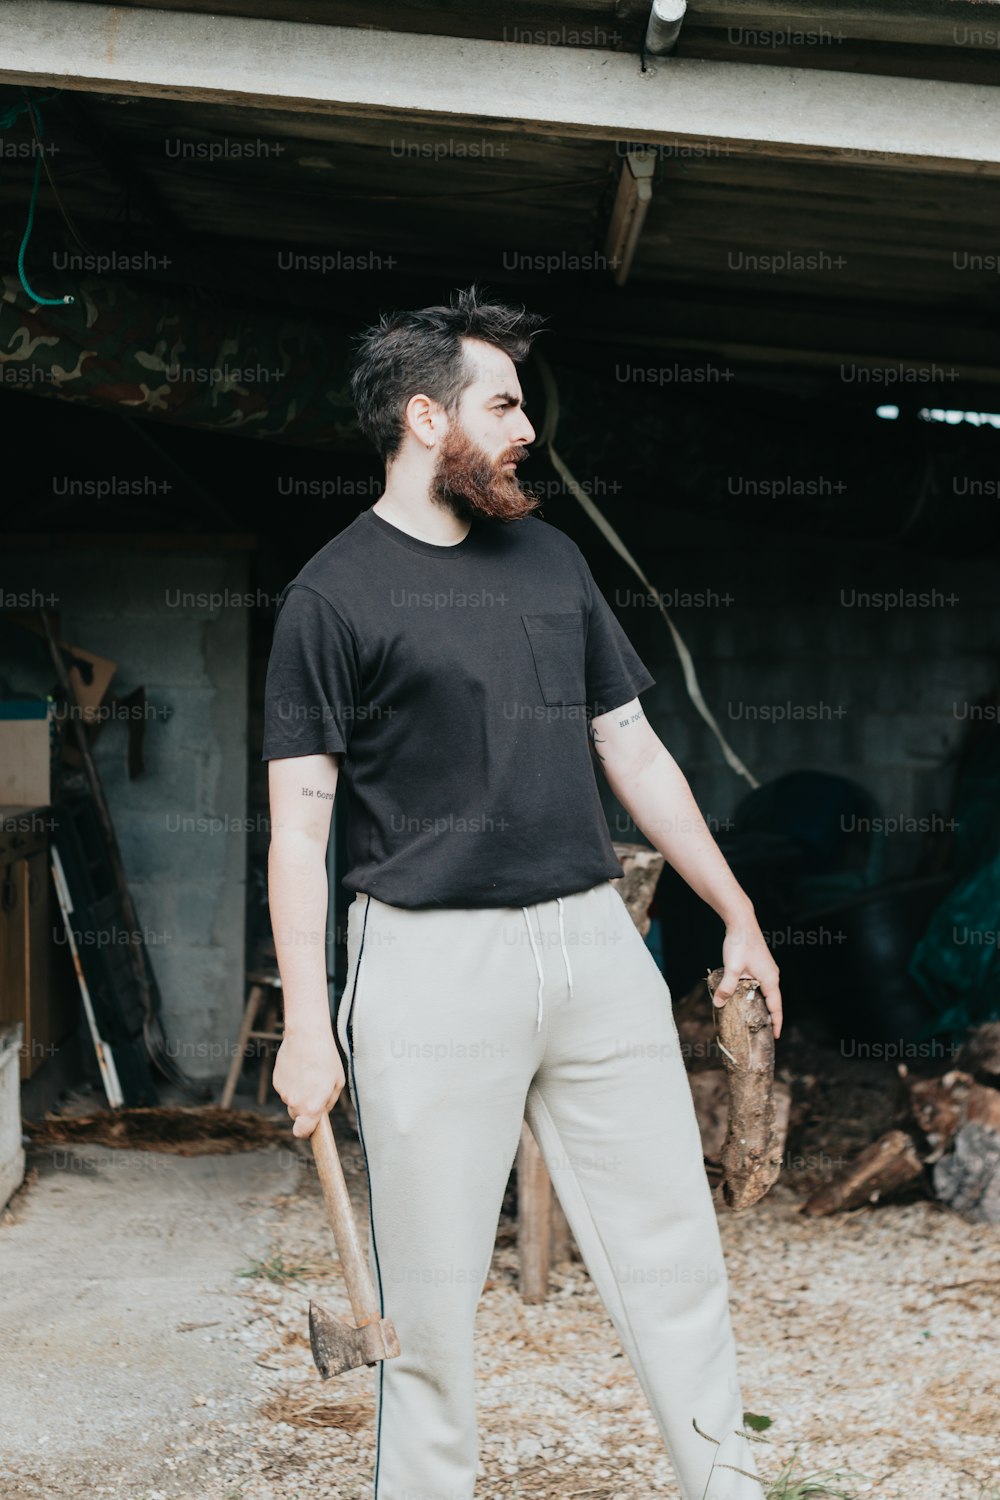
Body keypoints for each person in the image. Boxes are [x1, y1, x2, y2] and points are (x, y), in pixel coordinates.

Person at [262, 286, 782, 1500]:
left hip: (594, 945)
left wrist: (740, 910)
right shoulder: (328, 598)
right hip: (429, 965)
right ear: (425, 416)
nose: (524, 429)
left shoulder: (549, 558)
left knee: (672, 1258)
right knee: (431, 1308)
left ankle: (728, 1485)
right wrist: (302, 1019)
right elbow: (298, 823)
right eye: (502, 405)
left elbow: (632, 747)